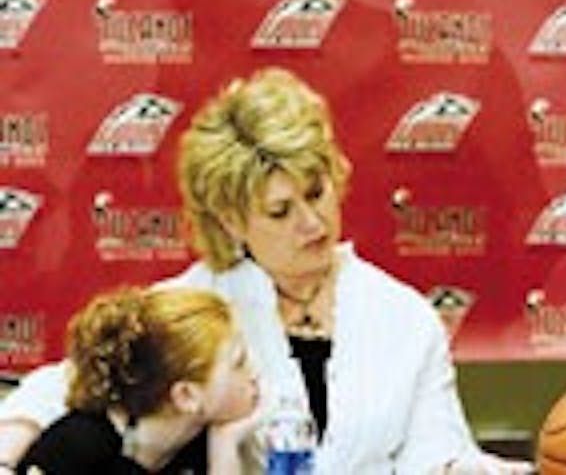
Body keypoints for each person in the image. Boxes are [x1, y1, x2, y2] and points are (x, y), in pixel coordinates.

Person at [0, 68, 532, 474]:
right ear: (231, 220)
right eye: (280, 211)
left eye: (317, 192)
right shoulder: (196, 309)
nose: (312, 222)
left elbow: (440, 459)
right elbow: (67, 387)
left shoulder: (403, 318)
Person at [15, 286, 259, 474]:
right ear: (186, 396)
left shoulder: (201, 441)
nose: (254, 373)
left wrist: (225, 450)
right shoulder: (77, 448)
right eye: (238, 364)